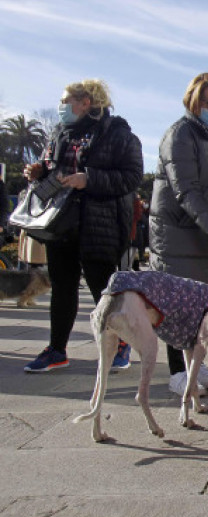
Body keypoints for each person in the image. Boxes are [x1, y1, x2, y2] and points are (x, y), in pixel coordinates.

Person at [23, 79, 143, 373]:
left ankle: (121, 343)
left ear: (86, 102)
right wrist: (39, 171)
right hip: (60, 221)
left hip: (99, 223)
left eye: (66, 101)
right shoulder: (60, 132)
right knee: (62, 286)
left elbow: (131, 177)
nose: (62, 107)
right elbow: (52, 168)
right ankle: (56, 349)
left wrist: (89, 179)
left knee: (102, 288)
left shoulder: (119, 134)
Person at [149, 72, 208, 396]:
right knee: (177, 304)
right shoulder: (179, 135)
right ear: (194, 100)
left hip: (204, 230)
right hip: (177, 232)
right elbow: (185, 191)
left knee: (204, 302)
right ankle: (177, 370)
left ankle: (195, 362)